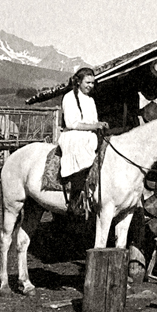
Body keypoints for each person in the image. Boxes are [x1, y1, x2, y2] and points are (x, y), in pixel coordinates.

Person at [58, 67, 109, 213]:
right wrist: (95, 125)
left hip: (89, 134)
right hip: (74, 135)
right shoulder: (69, 97)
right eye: (87, 82)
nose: (90, 86)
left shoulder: (90, 100)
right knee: (82, 149)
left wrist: (100, 126)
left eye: (93, 83)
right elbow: (71, 123)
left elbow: (93, 120)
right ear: (79, 82)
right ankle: (75, 197)